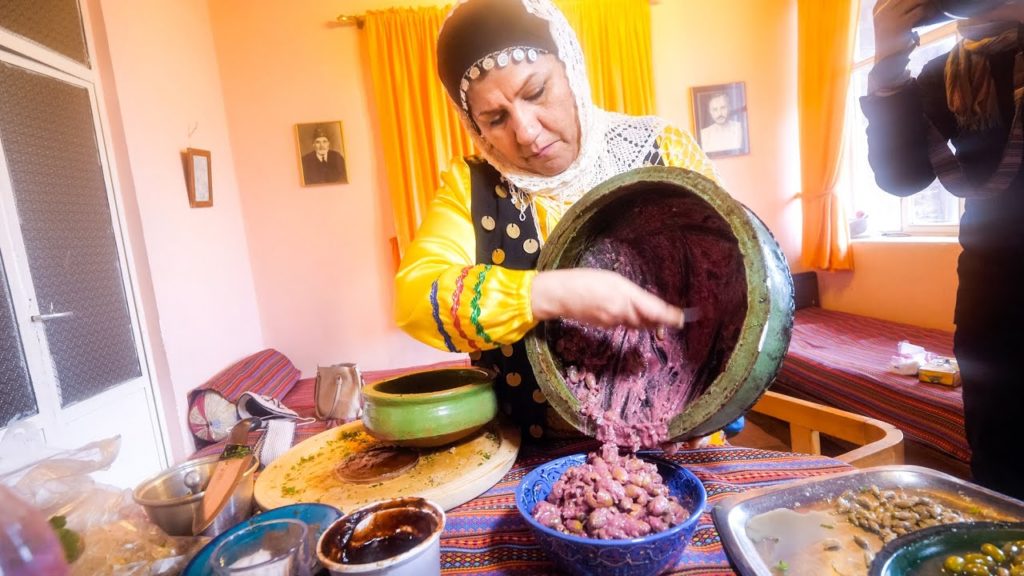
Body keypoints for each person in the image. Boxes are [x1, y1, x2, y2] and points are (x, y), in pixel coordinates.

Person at [394, 0, 721, 442]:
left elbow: (734, 283)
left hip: (685, 440)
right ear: (475, 127)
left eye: (535, 93)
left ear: (571, 70)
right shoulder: (470, 189)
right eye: (496, 118)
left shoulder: (663, 151)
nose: (526, 132)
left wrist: (718, 401)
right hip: (538, 461)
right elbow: (417, 297)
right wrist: (550, 292)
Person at [862, 0, 1024, 498]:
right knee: (1000, 458)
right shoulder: (948, 73)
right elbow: (902, 178)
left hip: (990, 290)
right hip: (992, 293)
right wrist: (889, 57)